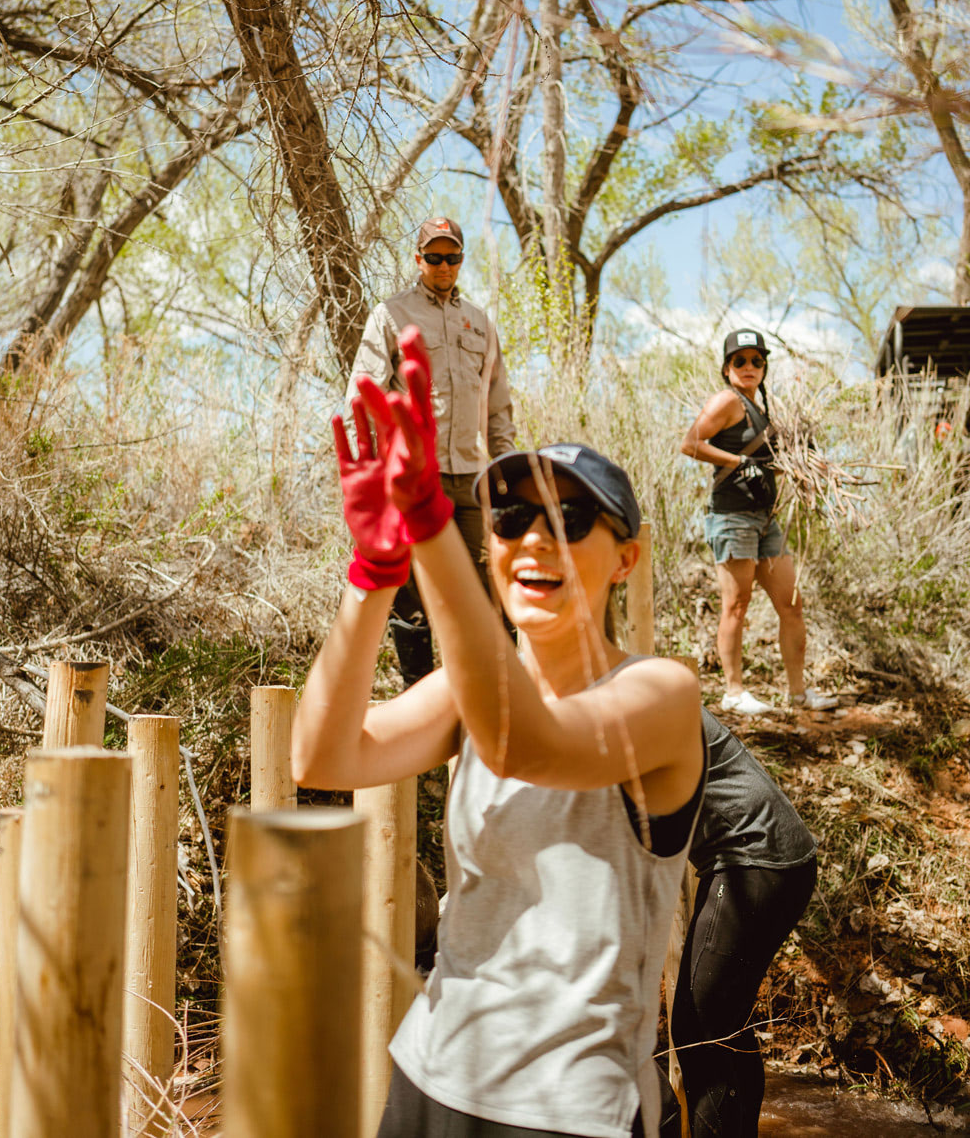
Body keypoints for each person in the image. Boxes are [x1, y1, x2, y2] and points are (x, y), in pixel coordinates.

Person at [294, 327, 705, 1138]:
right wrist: (375, 574)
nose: (531, 538)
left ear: (625, 557)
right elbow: (324, 754)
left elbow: (532, 743)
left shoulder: (661, 692)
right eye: (510, 515)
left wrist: (428, 525)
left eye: (569, 516)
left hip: (568, 1107)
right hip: (430, 1071)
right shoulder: (462, 693)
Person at [345, 216, 516, 686]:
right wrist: (375, 477)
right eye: (434, 256)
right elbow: (362, 397)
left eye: (452, 256)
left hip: (472, 482)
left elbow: (498, 408)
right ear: (418, 259)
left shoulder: (481, 323)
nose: (444, 265)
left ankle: (499, 715)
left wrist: (507, 477)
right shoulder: (390, 315)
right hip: (416, 481)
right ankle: (418, 721)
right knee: (413, 601)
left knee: (493, 598)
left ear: (461, 260)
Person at [658, 709, 817, 1137]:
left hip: (755, 862)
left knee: (699, 1031)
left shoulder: (623, 700)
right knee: (723, 1024)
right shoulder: (615, 691)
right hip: (777, 860)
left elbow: (648, 833)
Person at [680, 329, 835, 715]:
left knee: (792, 605)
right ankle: (733, 693)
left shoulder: (760, 409)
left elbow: (768, 466)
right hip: (732, 517)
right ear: (727, 367)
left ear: (764, 367)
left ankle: (798, 694)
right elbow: (690, 443)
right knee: (736, 605)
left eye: (757, 361)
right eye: (740, 360)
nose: (749, 367)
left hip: (766, 518)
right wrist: (737, 462)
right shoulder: (726, 401)